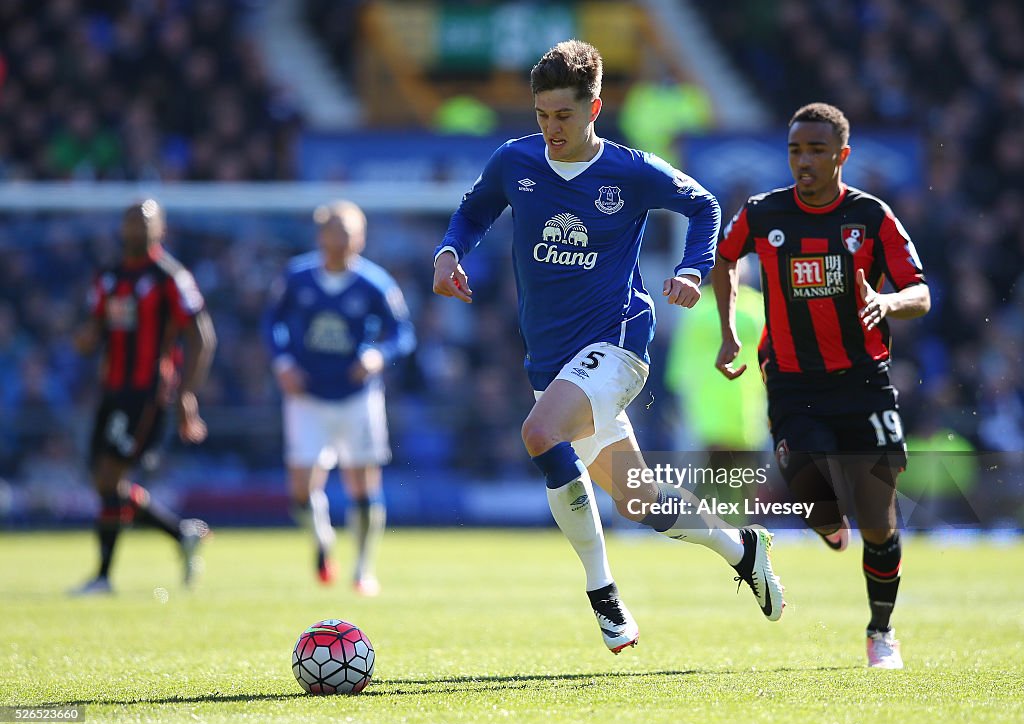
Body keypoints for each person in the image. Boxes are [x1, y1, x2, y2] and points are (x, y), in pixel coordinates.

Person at [433, 40, 785, 655]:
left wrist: (694, 268)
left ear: (594, 108)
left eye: (563, 116)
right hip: (552, 361)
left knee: (539, 434)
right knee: (641, 500)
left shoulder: (629, 171)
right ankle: (743, 548)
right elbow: (474, 210)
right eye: (541, 116)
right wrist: (448, 252)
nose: (550, 129)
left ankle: (604, 597)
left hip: (618, 344)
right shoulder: (515, 161)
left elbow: (702, 205)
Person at [712, 103, 931, 669]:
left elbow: (921, 292)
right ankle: (829, 523)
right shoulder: (763, 213)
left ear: (842, 155)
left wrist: (886, 301)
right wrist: (729, 331)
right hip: (792, 378)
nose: (803, 161)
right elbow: (725, 256)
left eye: (815, 150)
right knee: (811, 489)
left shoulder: (872, 217)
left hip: (863, 380)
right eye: (794, 151)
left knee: (881, 523)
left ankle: (881, 633)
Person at [264, 200, 415, 595]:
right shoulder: (297, 278)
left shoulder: (375, 283)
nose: (341, 241)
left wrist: (377, 356)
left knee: (363, 480)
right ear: (321, 236)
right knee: (301, 487)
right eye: (334, 233)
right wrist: (282, 362)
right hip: (307, 394)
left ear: (361, 238)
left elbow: (402, 333)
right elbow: (272, 321)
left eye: (349, 234)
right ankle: (322, 538)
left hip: (356, 396)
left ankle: (363, 569)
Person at [72, 200, 216, 595]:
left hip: (146, 392)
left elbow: (202, 338)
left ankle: (103, 577)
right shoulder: (109, 277)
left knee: (109, 476)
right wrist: (85, 339)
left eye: (145, 222)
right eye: (131, 221)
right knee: (106, 483)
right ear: (121, 228)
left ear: (161, 230)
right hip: (112, 390)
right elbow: (93, 330)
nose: (136, 229)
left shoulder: (170, 276)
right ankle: (181, 533)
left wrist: (187, 395)